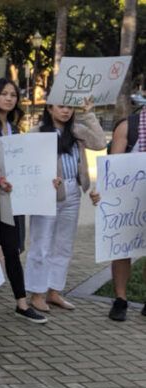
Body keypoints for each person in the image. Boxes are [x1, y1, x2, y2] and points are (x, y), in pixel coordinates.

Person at [0, 79, 47, 323]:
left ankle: (21, 303)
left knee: (12, 248)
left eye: (13, 94)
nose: (9, 98)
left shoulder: (15, 129)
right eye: (4, 93)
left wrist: (47, 181)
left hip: (11, 198)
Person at [25, 98, 103, 312]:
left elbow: (99, 143)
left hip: (73, 191)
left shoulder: (77, 130)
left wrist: (88, 113)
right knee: (41, 244)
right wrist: (43, 179)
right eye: (61, 106)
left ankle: (54, 291)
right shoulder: (37, 132)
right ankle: (36, 293)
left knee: (63, 245)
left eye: (69, 107)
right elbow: (26, 165)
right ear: (50, 109)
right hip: (47, 193)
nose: (66, 111)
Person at [94, 109, 146, 321]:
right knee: (122, 251)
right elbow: (112, 166)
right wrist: (102, 192)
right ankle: (120, 300)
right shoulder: (129, 126)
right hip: (128, 200)